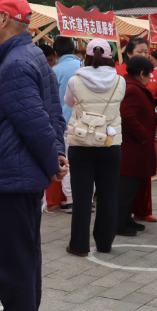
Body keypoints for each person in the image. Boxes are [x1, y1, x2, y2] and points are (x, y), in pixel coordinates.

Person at [0, 0, 66, 311]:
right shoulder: (31, 55)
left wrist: (53, 163)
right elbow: (53, 114)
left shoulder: (15, 63)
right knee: (26, 253)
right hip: (23, 172)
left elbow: (35, 123)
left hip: (15, 173)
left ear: (4, 19)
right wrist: (57, 154)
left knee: (12, 258)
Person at [64, 38, 124, 255]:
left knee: (82, 198)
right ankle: (105, 243)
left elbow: (69, 102)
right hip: (110, 142)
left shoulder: (74, 80)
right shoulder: (120, 81)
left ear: (86, 57)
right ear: (110, 57)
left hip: (81, 143)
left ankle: (79, 245)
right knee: (108, 196)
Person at [117, 55, 157, 237]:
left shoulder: (131, 86)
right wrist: (143, 136)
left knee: (131, 187)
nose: (150, 78)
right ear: (142, 73)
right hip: (131, 147)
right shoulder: (132, 88)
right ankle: (118, 222)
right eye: (149, 74)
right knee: (126, 188)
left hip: (134, 147)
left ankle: (126, 218)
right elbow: (127, 116)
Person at [51, 37, 81, 211]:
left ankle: (70, 199)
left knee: (67, 161)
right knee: (85, 163)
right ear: (73, 50)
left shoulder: (55, 71)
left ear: (56, 53)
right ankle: (87, 199)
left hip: (65, 124)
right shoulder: (84, 67)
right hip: (87, 124)